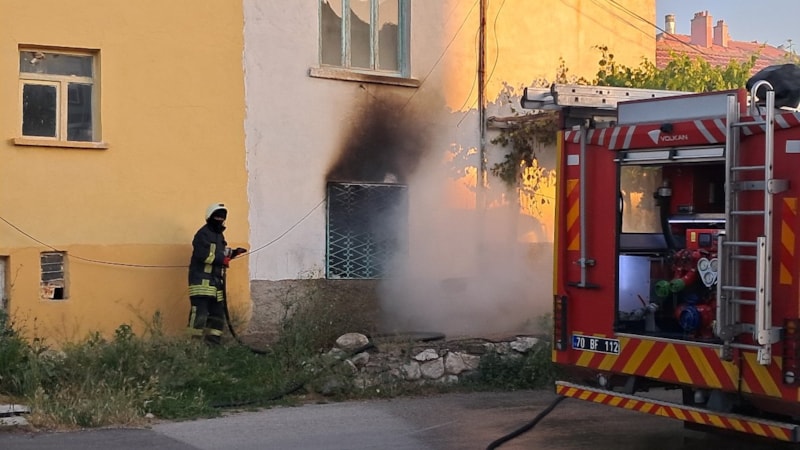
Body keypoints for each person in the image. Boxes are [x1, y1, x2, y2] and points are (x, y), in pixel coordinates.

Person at [187, 203, 246, 344]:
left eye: (222, 217)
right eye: (217, 216)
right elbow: (204, 255)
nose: (220, 219)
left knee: (217, 317)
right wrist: (222, 259)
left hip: (215, 285)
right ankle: (192, 347)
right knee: (199, 316)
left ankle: (212, 346)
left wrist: (233, 253)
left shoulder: (219, 236)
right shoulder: (202, 234)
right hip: (201, 284)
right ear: (210, 217)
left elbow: (220, 253)